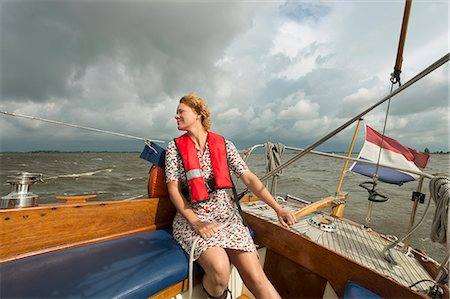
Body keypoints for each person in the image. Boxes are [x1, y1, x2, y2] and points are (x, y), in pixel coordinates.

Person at [165, 93, 296, 299]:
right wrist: (197, 222)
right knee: (219, 270)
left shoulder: (224, 145)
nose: (176, 116)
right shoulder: (174, 147)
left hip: (226, 217)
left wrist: (277, 208)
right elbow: (173, 190)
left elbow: (250, 179)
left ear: (198, 114)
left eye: (181, 111)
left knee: (257, 277)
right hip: (193, 219)